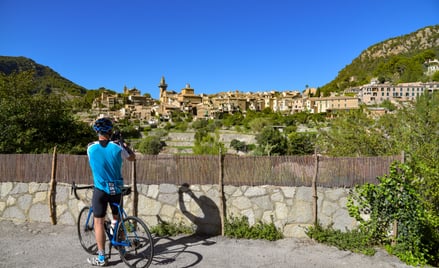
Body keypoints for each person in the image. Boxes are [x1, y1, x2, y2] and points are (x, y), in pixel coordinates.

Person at [86, 117, 136, 266]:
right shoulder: (118, 147)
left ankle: (101, 258)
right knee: (117, 218)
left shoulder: (90, 148)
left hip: (100, 189)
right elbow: (132, 158)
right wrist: (122, 143)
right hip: (116, 189)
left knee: (98, 223)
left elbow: (97, 157)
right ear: (111, 131)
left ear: (97, 131)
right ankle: (120, 246)